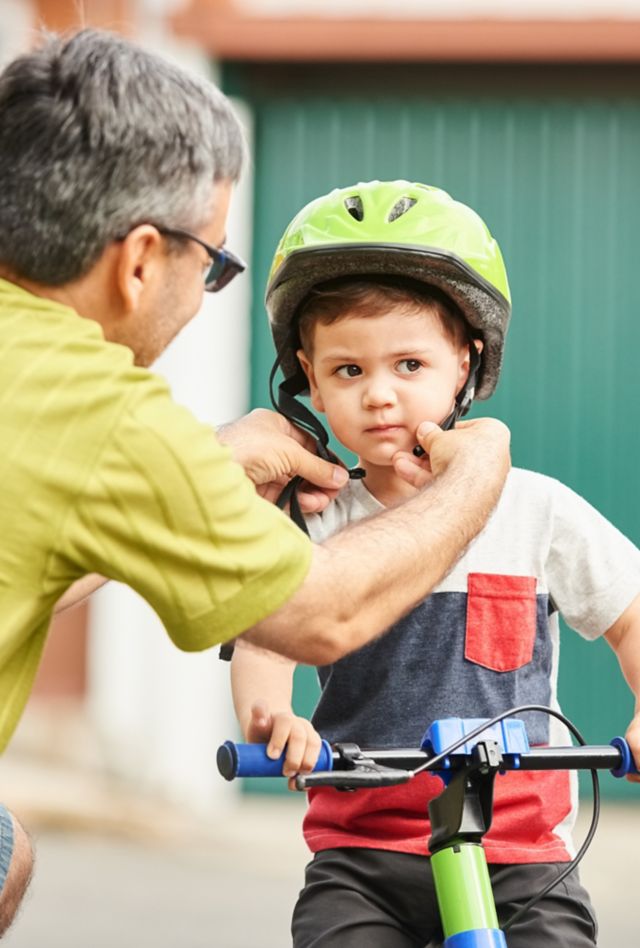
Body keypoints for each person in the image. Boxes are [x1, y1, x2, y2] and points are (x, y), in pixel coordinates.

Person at [0, 34, 510, 937]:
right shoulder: (96, 406)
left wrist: (203, 462)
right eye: (215, 266)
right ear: (141, 260)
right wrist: (474, 482)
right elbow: (319, 618)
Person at [230, 179, 640, 947]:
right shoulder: (314, 518)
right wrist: (273, 716)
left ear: (465, 363)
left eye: (409, 364)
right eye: (349, 371)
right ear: (308, 383)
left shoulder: (534, 508)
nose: (380, 395)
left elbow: (630, 611)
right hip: (363, 854)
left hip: (519, 853)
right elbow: (262, 635)